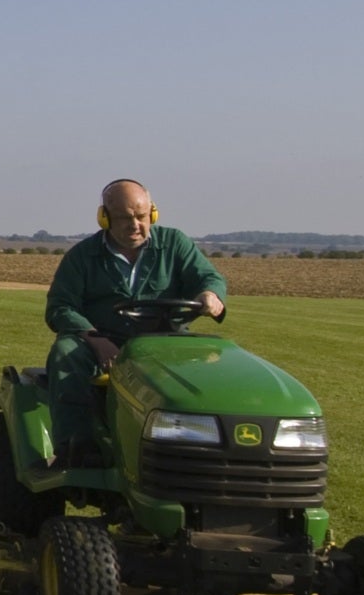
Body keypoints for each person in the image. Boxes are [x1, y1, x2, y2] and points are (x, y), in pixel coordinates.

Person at [39, 179, 226, 461]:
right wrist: (93, 338)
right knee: (65, 354)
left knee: (212, 366)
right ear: (104, 217)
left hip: (165, 340)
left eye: (141, 217)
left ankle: (198, 449)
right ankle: (75, 448)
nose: (135, 225)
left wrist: (210, 294)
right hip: (102, 340)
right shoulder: (82, 256)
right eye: (125, 218)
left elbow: (208, 278)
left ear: (152, 214)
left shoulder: (175, 245)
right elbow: (60, 307)